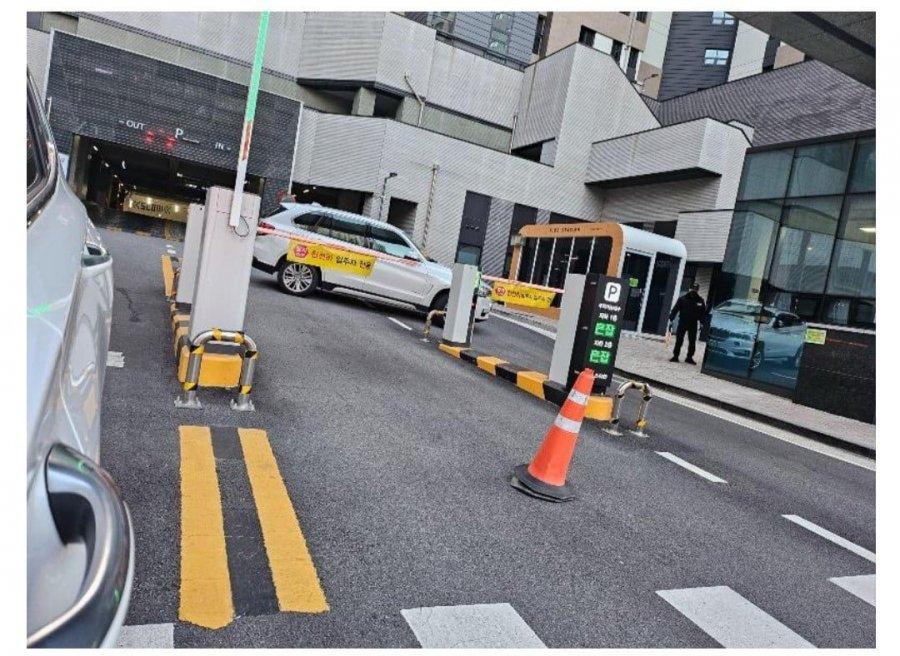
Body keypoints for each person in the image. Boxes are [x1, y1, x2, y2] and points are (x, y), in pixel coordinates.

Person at [668, 282, 707, 364]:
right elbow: (675, 309)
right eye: (693, 288)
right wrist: (671, 318)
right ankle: (675, 356)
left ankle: (689, 357)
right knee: (679, 339)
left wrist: (702, 322)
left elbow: (702, 313)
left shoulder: (700, 300)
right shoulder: (683, 299)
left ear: (698, 290)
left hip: (693, 323)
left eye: (696, 289)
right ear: (690, 289)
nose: (694, 290)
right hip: (683, 322)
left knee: (692, 341)